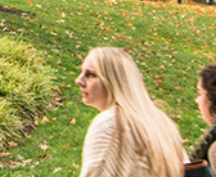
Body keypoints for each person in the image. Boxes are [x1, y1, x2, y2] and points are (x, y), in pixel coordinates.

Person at [74, 47, 186, 177]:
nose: (79, 81)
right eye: (82, 72)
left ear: (113, 82)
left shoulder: (109, 124)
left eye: (91, 75)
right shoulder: (162, 123)